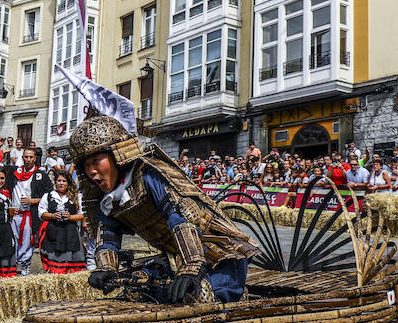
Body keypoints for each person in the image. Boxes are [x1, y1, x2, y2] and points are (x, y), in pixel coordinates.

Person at [69, 115, 259, 304]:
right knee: (137, 289)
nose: (91, 170)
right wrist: (106, 268)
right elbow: (108, 234)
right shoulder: (108, 200)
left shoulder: (150, 175)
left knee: (197, 297)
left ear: (116, 154)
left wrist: (192, 267)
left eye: (96, 161)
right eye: (86, 165)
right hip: (175, 258)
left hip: (223, 257)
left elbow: (183, 216)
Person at [10, 148, 52, 276]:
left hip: (29, 214)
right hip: (15, 214)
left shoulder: (41, 175)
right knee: (13, 240)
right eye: (26, 157)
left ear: (35, 158)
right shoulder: (14, 173)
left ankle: (25, 266)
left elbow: (49, 196)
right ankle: (13, 266)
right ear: (22, 157)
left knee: (28, 241)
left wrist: (32, 201)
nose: (28, 160)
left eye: (31, 157)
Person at [37, 170, 86, 274]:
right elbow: (41, 213)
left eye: (64, 181)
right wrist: (52, 215)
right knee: (55, 263)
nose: (61, 183)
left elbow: (82, 214)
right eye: (59, 180)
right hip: (54, 231)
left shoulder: (76, 196)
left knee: (71, 261)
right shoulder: (48, 196)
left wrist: (70, 217)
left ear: (68, 183)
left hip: (70, 232)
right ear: (55, 182)